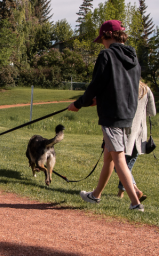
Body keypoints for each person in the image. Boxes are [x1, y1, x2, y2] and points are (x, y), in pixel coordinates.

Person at [67, 20, 144, 211]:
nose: (101, 43)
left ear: (106, 36)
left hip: (112, 115)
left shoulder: (106, 54)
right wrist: (97, 100)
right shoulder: (134, 58)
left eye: (101, 39)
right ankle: (95, 195)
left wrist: (79, 103)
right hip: (127, 114)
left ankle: (135, 203)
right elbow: (122, 87)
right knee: (109, 157)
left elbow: (96, 84)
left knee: (118, 158)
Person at [117, 81, 156, 201]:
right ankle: (121, 193)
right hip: (140, 134)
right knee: (128, 164)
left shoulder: (124, 86)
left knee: (119, 164)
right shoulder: (146, 89)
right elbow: (152, 112)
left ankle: (135, 189)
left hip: (125, 131)